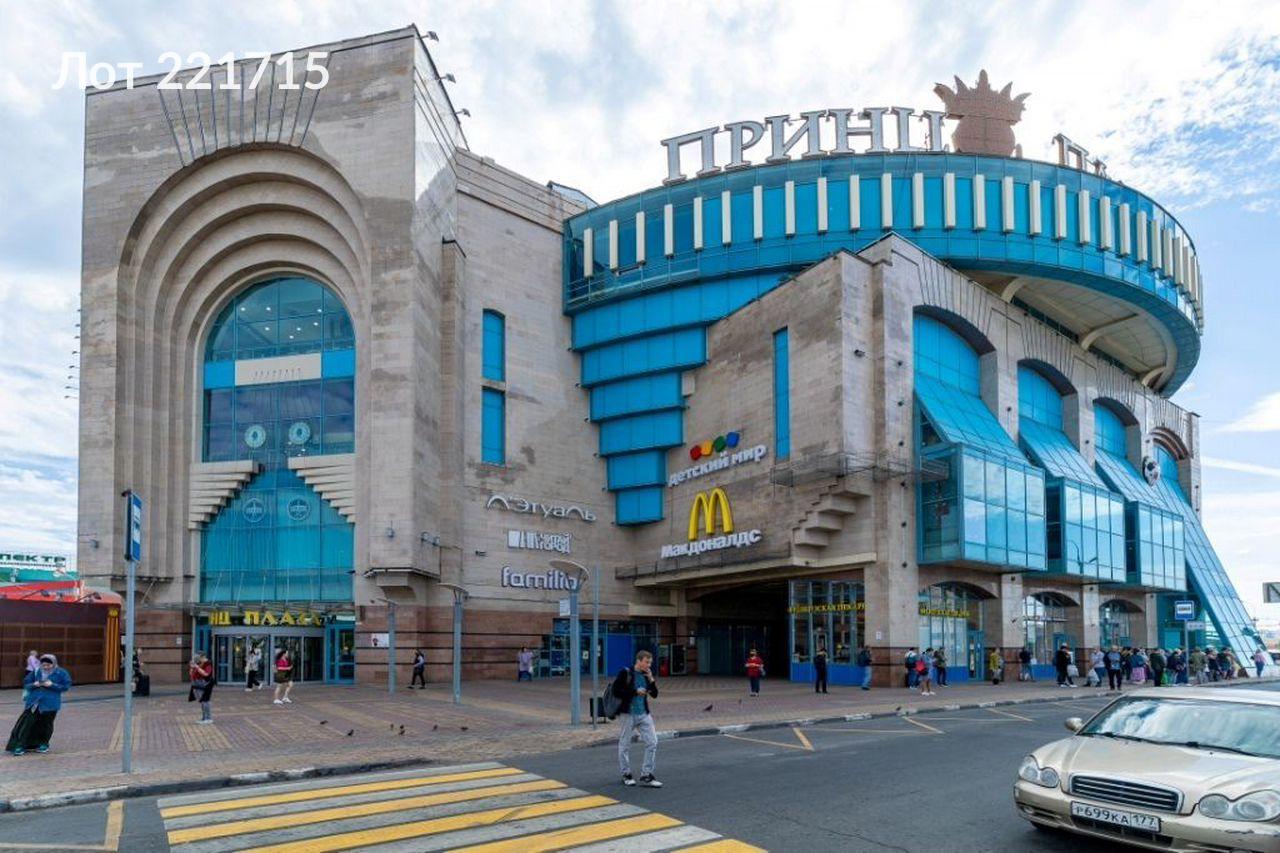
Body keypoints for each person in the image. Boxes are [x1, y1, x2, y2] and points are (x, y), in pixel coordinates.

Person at [613, 650, 661, 788]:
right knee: (625, 744)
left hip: (644, 714)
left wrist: (651, 679)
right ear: (639, 661)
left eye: (650, 662)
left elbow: (655, 694)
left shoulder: (646, 675)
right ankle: (626, 774)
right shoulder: (626, 673)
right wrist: (635, 692)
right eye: (647, 662)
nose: (649, 665)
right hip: (628, 714)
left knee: (652, 742)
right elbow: (616, 691)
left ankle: (646, 775)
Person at [6, 655, 72, 755]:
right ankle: (20, 745)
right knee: (26, 724)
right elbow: (26, 683)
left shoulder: (61, 672)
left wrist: (52, 685)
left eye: (48, 665)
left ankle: (43, 744)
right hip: (34, 703)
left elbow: (66, 686)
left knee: (46, 725)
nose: (45, 667)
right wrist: (34, 684)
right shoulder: (36, 671)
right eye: (43, 665)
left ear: (53, 663)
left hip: (50, 704)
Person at [189, 652, 215, 724]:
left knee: (205, 701)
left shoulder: (208, 663)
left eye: (198, 657)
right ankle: (204, 718)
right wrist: (192, 667)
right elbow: (191, 674)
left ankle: (208, 718)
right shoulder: (198, 663)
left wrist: (197, 667)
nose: (197, 659)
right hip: (198, 684)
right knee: (202, 701)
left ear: (203, 657)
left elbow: (206, 674)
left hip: (207, 684)